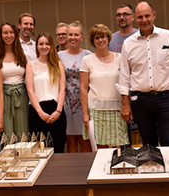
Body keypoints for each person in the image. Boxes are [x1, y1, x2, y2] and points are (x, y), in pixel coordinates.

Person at [117, 1, 169, 147]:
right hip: (140, 101)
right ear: (135, 18)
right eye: (140, 17)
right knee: (148, 145)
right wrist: (125, 104)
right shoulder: (129, 43)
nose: (144, 20)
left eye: (147, 16)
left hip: (166, 98)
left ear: (154, 15)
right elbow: (124, 76)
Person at [81, 24, 129, 149]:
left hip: (117, 110)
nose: (100, 40)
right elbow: (83, 88)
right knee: (99, 149)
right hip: (95, 110)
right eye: (97, 38)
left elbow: (126, 83)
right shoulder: (87, 60)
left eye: (103, 37)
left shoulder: (120, 58)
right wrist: (85, 114)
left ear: (108, 38)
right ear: (92, 41)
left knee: (118, 149)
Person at [25, 33, 67, 153]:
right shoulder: (31, 65)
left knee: (58, 148)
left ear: (51, 46)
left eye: (47, 44)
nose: (44, 47)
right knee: (39, 151)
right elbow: (30, 90)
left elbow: (62, 89)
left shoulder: (58, 64)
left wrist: (58, 111)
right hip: (37, 111)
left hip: (56, 110)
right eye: (41, 44)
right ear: (37, 46)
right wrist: (40, 112)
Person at [58, 21, 93, 153]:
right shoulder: (59, 56)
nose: (73, 37)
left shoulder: (88, 55)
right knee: (70, 140)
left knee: (86, 140)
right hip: (66, 103)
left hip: (84, 102)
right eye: (70, 34)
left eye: (76, 35)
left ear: (82, 37)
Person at [0, 23, 29, 135]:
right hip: (4, 96)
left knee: (23, 132)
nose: (9, 35)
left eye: (11, 32)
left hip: (21, 95)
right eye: (5, 33)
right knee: (7, 133)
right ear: (0, 35)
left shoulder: (24, 56)